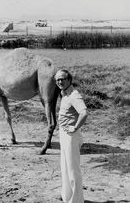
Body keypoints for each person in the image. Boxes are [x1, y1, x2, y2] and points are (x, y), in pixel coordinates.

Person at [55, 69, 88, 203]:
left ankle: (77, 200)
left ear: (69, 80)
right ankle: (67, 196)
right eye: (57, 80)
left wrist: (75, 127)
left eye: (62, 79)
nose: (60, 82)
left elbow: (84, 113)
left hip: (71, 135)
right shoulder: (64, 94)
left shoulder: (74, 95)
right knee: (65, 167)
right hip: (64, 133)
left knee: (73, 169)